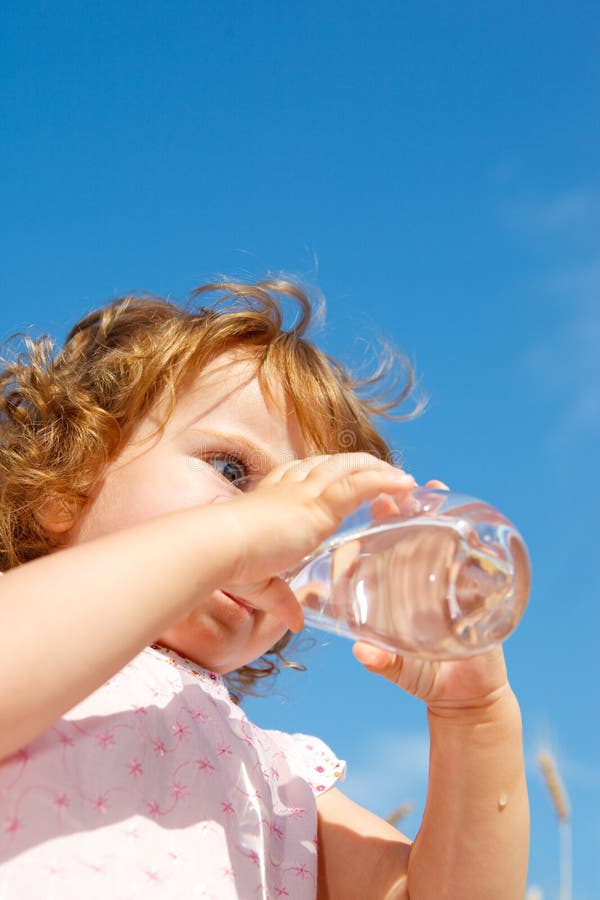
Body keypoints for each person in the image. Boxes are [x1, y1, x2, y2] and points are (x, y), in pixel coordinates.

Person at [0, 278, 529, 899]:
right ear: (73, 475)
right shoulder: (28, 624)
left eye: (312, 530)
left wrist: (475, 718)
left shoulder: (279, 775)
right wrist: (233, 534)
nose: (281, 527)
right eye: (232, 470)